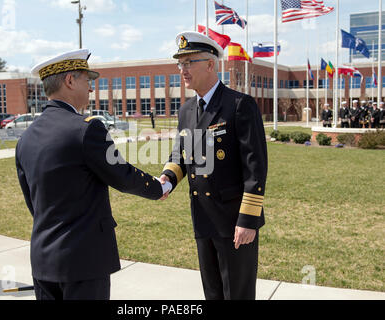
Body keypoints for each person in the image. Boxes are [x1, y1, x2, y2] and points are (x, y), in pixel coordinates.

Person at [15, 49, 171, 300]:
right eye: (87, 80)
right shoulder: (85, 130)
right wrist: (158, 188)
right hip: (83, 261)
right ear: (69, 81)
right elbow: (122, 175)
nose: (90, 89)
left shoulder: (26, 138)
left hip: (43, 261)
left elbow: (33, 203)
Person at [159, 31, 267, 300]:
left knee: (237, 295)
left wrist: (248, 220)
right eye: (180, 64)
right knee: (213, 294)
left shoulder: (239, 105)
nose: (182, 70)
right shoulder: (186, 110)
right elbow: (182, 156)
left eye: (189, 63)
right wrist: (166, 180)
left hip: (234, 222)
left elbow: (255, 168)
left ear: (210, 64)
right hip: (203, 217)